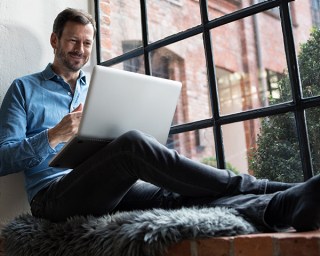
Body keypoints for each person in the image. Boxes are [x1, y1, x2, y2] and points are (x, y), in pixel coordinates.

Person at [0, 8, 319, 232]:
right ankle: (260, 186)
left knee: (180, 197)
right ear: (55, 41)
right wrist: (54, 135)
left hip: (110, 189)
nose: (80, 50)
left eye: (86, 43)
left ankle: (284, 205)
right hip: (52, 199)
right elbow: (4, 159)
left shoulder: (98, 88)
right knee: (131, 145)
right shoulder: (24, 89)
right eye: (72, 41)